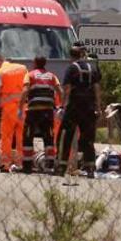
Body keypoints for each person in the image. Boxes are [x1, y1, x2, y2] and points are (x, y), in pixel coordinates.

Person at [55, 46, 102, 177]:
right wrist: (98, 107)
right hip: (89, 108)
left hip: (74, 107)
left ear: (71, 56)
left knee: (65, 136)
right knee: (88, 138)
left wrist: (62, 107)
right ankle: (90, 167)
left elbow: (67, 88)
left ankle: (61, 166)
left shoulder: (71, 68)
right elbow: (97, 89)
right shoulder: (92, 68)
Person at [20, 55, 62, 173]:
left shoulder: (30, 75)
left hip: (33, 111)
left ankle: (27, 166)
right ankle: (50, 165)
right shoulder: (52, 76)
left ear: (34, 63)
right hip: (47, 112)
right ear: (45, 64)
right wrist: (61, 106)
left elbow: (25, 91)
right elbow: (60, 91)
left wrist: (20, 107)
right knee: (48, 138)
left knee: (28, 137)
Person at [0, 54, 28, 171]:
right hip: (23, 108)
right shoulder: (22, 68)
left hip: (9, 110)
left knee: (6, 136)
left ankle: (5, 163)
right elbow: (27, 86)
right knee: (21, 136)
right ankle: (22, 163)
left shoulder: (0, 73)